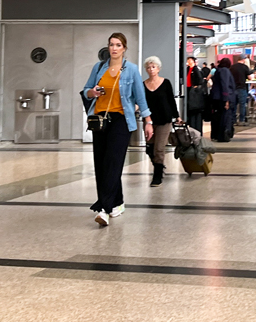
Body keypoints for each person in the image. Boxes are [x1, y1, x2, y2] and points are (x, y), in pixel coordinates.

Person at [82, 33, 150, 227]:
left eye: (118, 45)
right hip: (100, 120)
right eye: (111, 45)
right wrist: (93, 92)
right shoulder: (99, 68)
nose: (114, 48)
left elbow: (140, 97)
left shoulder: (132, 70)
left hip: (121, 120)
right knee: (102, 163)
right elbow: (86, 90)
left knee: (114, 161)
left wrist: (148, 120)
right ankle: (117, 203)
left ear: (124, 48)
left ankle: (103, 208)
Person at [142, 56, 179, 187]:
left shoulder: (166, 83)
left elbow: (171, 100)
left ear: (158, 68)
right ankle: (159, 166)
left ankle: (157, 174)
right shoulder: (143, 85)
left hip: (164, 119)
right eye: (148, 67)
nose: (151, 69)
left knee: (159, 148)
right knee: (150, 148)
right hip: (149, 121)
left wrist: (177, 116)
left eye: (153, 67)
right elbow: (141, 103)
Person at [208, 56, 236, 142]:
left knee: (218, 116)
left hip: (216, 97)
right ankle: (223, 135)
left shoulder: (218, 70)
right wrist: (226, 99)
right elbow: (225, 85)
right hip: (222, 97)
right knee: (225, 116)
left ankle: (216, 135)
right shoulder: (225, 71)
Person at [184, 56, 207, 132]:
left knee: (195, 110)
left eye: (190, 60)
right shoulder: (187, 69)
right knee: (190, 111)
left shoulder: (196, 69)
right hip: (187, 90)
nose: (189, 61)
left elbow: (200, 79)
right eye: (188, 60)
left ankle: (197, 130)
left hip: (194, 92)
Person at [230, 54, 252, 127]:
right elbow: (249, 78)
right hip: (242, 88)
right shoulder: (245, 67)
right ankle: (241, 120)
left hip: (233, 88)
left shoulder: (232, 67)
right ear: (243, 59)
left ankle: (233, 120)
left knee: (234, 105)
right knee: (242, 105)